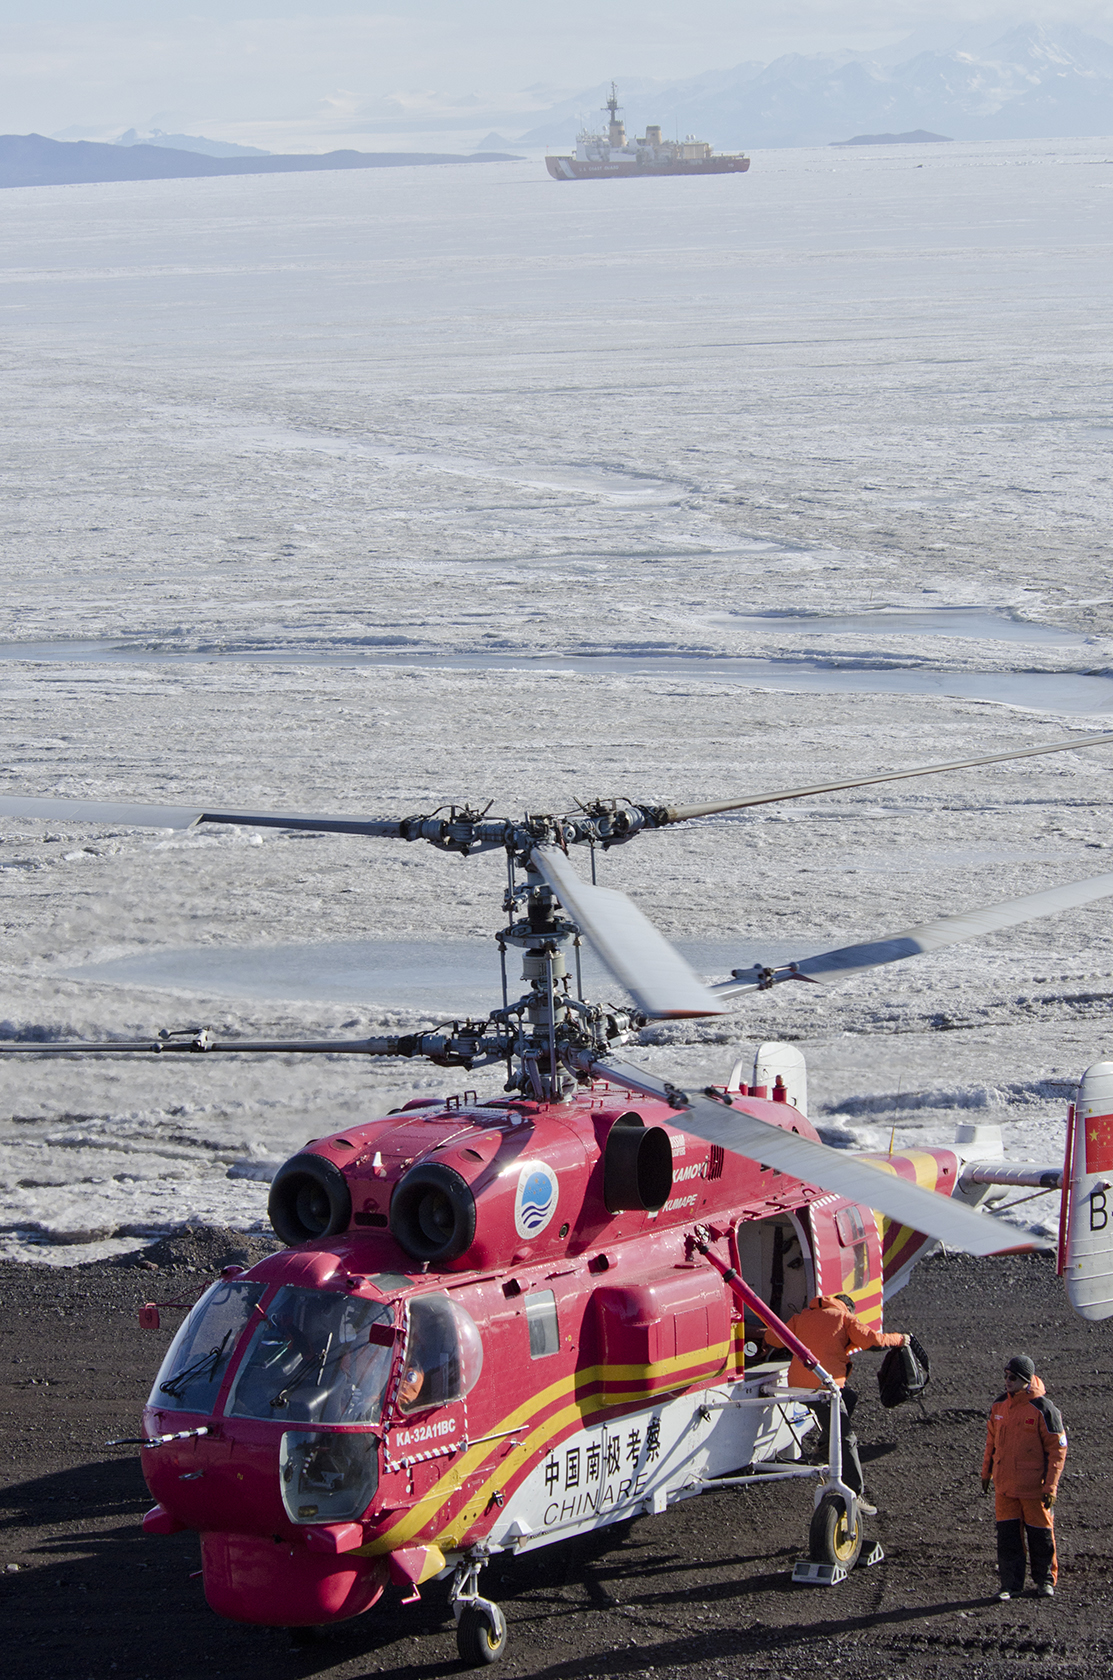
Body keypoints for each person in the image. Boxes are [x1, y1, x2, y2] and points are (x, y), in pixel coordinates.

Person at [764, 1291, 908, 1514]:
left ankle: (823, 1447)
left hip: (797, 1386)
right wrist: (900, 1339)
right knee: (846, 1437)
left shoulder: (802, 1317)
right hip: (823, 1388)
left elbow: (772, 1338)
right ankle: (854, 1492)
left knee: (849, 1398)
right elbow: (873, 1341)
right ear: (848, 1308)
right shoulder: (845, 1318)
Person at [981, 1354, 1067, 1601]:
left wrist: (1050, 1487)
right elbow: (991, 1442)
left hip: (1034, 1489)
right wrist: (986, 1472)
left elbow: (1057, 1450)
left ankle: (1045, 1582)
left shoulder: (1043, 1408)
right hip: (1005, 1487)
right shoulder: (999, 1406)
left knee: (1040, 1537)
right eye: (1006, 1377)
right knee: (1008, 1539)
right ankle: (1010, 1584)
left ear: (1026, 1381)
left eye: (1013, 1378)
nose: (1007, 1382)